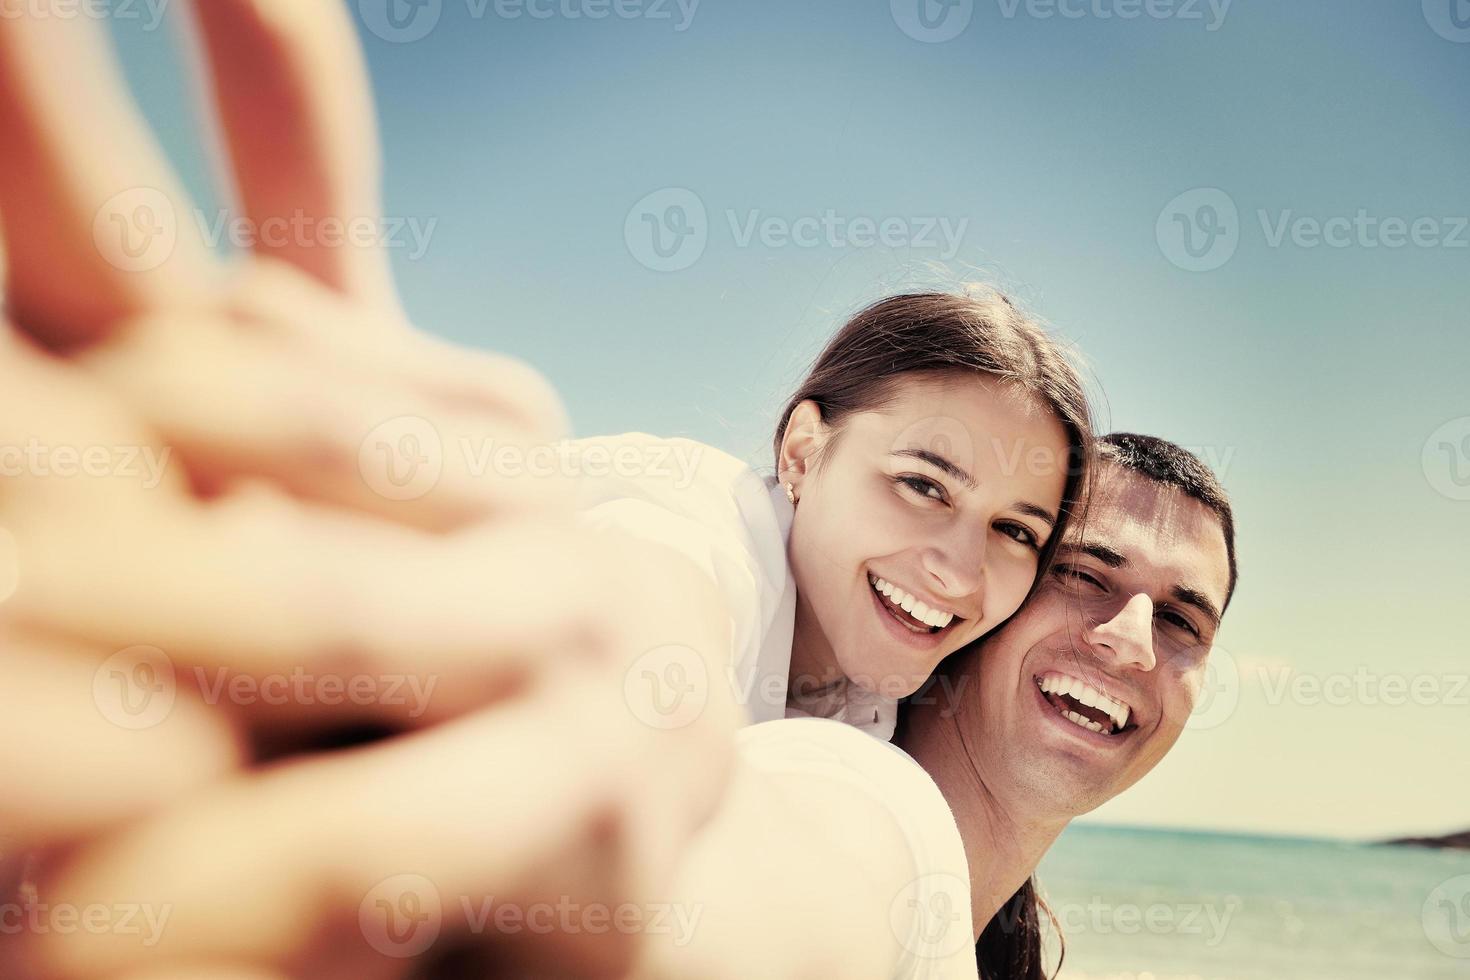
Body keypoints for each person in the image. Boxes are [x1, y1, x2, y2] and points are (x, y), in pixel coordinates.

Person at [630, 433, 1237, 980]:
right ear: (987, 594)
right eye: (1082, 575)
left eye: (1181, 621)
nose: (1132, 642)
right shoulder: (860, 798)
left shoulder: (976, 938)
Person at [575, 288, 1093, 739]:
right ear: (801, 453)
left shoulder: (875, 707)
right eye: (922, 485)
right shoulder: (691, 538)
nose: (958, 574)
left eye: (1015, 530)